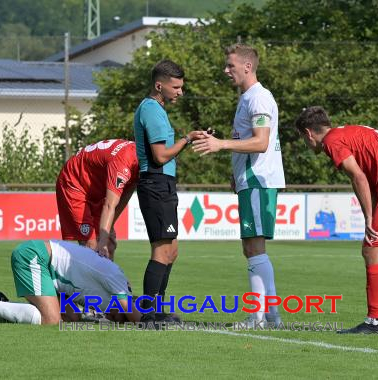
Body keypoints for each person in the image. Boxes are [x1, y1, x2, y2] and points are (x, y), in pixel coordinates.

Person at [294, 106, 378, 334]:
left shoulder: (331, 142)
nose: (307, 145)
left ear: (308, 133)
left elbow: (358, 176)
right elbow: (372, 177)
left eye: (303, 139)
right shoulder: (348, 133)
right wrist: (374, 210)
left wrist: (368, 217)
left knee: (371, 250)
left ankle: (374, 321)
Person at [192, 44, 285, 328]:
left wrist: (221, 144)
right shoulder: (248, 97)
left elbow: (261, 141)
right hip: (250, 179)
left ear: (247, 66)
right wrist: (236, 171)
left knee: (254, 247)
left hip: (258, 180)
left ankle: (259, 317)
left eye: (230, 66)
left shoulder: (258, 97)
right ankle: (270, 317)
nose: (226, 70)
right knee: (252, 247)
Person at [133, 59, 206, 323]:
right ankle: (148, 315)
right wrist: (187, 139)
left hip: (162, 184)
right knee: (161, 251)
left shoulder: (157, 109)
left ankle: (158, 311)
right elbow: (161, 155)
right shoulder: (151, 109)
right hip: (155, 183)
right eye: (176, 87)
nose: (180, 92)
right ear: (159, 85)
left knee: (171, 251)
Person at [0, 240, 142, 325]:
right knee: (51, 320)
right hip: (36, 257)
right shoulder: (118, 281)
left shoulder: (110, 296)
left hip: (51, 272)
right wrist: (153, 322)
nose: (112, 318)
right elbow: (135, 315)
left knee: (71, 318)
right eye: (119, 318)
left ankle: (0, 304)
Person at [56, 139, 139, 259]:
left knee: (109, 245)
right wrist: (102, 242)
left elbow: (125, 196)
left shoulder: (142, 157)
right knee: (92, 246)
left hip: (96, 190)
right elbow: (110, 205)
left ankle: (104, 277)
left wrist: (109, 228)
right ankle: (85, 277)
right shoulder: (123, 162)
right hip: (75, 184)